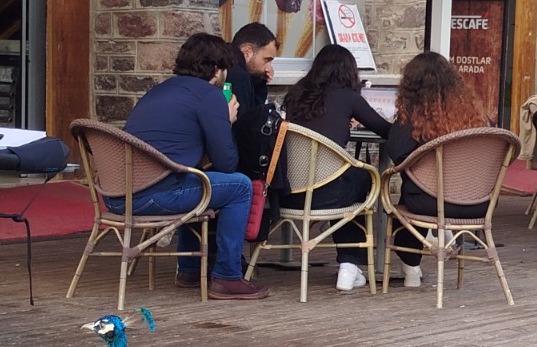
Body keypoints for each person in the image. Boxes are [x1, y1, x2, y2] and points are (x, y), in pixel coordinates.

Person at [120, 33, 268, 300]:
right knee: (240, 186)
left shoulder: (157, 90)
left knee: (192, 179)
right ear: (217, 69)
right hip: (154, 196)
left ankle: (189, 270)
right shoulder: (209, 96)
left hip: (117, 196)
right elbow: (227, 164)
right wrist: (226, 120)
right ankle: (227, 276)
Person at [283, 44, 392, 291]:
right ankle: (349, 264)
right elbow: (385, 130)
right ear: (348, 72)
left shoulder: (295, 95)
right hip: (328, 195)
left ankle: (349, 266)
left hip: (291, 193)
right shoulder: (349, 98)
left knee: (346, 181)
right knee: (363, 178)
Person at [386, 51, 488, 288]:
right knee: (419, 191)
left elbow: (397, 152)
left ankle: (411, 266)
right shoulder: (476, 117)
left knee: (408, 196)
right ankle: (439, 240)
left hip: (429, 202)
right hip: (476, 202)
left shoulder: (411, 120)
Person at [227, 22, 282, 239]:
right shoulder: (238, 75)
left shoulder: (229, 66)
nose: (267, 66)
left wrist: (259, 83)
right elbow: (248, 123)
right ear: (247, 51)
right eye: (266, 59)